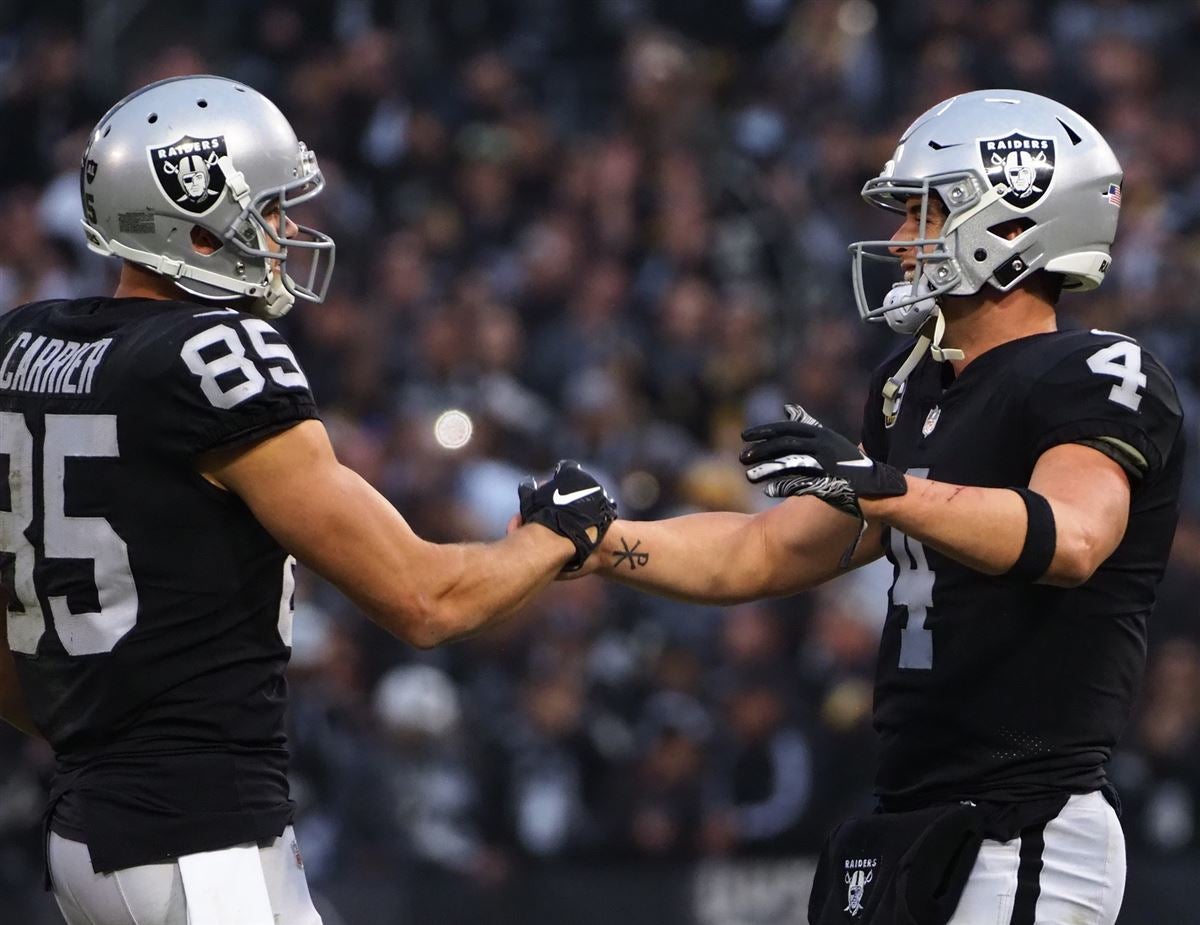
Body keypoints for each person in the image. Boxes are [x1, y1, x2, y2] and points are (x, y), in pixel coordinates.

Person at [543, 89, 1184, 923]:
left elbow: (1072, 535)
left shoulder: (1096, 370)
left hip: (1022, 818)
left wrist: (890, 489)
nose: (899, 239)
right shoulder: (910, 383)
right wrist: (599, 542)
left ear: (1017, 223)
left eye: (925, 212)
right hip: (912, 813)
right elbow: (765, 551)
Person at [0, 75, 615, 925]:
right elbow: (426, 599)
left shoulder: (26, 345)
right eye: (270, 208)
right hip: (198, 841)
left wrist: (101, 739)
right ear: (198, 221)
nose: (286, 230)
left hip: (90, 830)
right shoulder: (215, 356)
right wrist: (559, 532)